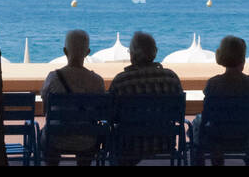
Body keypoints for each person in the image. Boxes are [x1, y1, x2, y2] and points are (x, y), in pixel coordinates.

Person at [108, 32, 183, 165]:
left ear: (132, 54)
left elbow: (110, 115)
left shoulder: (121, 81)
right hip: (164, 144)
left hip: (129, 146)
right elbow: (179, 112)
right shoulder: (171, 78)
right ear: (155, 52)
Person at [40, 30, 106, 166]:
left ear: (65, 51)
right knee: (90, 134)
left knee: (44, 133)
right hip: (87, 140)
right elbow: (100, 112)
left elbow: (46, 109)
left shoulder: (53, 78)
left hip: (56, 138)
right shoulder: (97, 81)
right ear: (88, 52)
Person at [192, 35, 249, 165]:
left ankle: (211, 157)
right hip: (242, 134)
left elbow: (206, 115)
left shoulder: (213, 83)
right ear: (243, 59)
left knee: (198, 121)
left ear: (221, 56)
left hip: (217, 136)